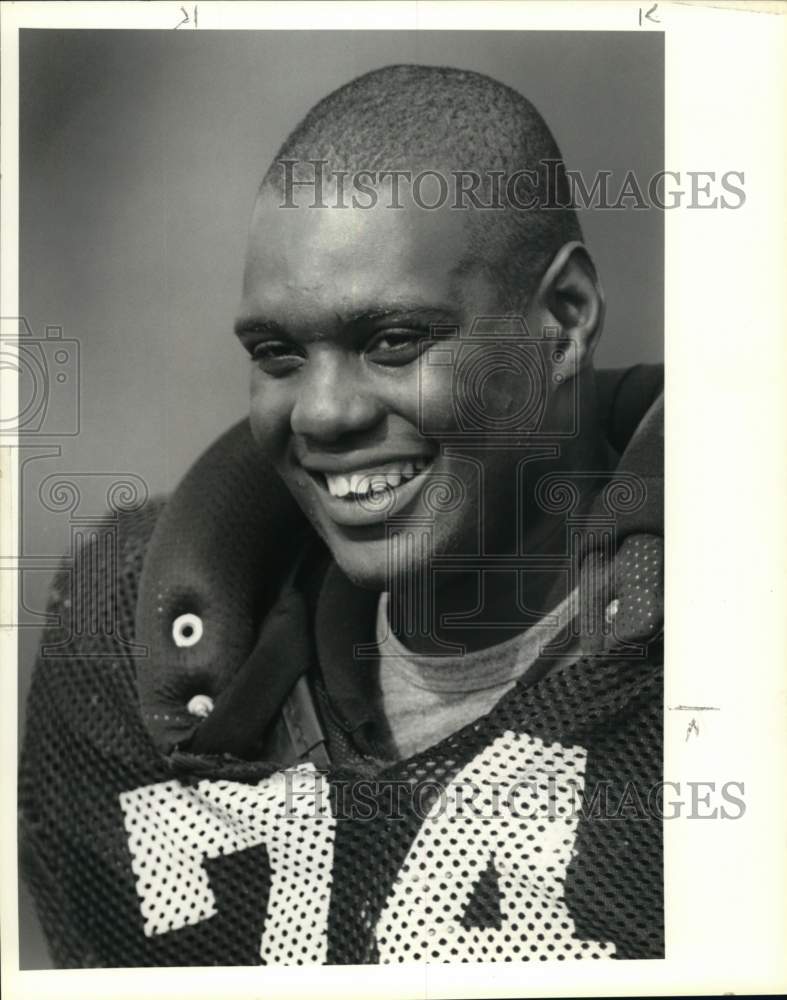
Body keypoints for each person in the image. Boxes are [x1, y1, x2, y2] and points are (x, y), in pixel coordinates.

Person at [20, 64, 664, 966]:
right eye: (279, 355)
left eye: (393, 341)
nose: (323, 414)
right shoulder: (138, 656)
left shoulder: (730, 633)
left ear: (562, 318)